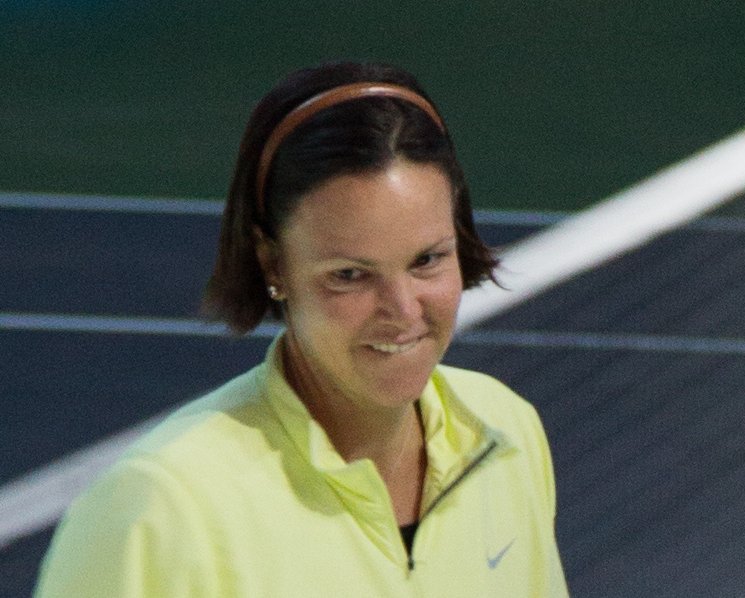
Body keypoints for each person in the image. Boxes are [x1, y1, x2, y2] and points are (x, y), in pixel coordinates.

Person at [35, 61, 570, 597]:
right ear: (272, 264)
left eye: (427, 259)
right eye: (350, 275)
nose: (403, 310)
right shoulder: (160, 507)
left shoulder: (505, 432)